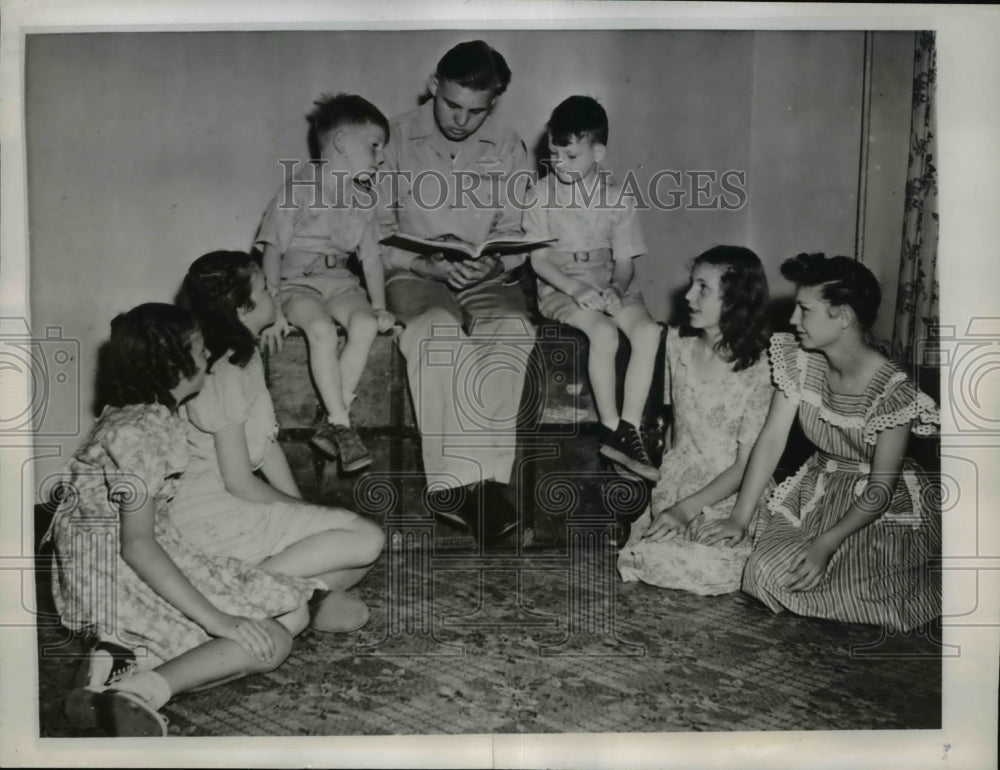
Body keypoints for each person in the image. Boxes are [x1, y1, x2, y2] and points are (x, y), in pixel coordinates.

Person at [43, 304, 318, 737]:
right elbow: (136, 544)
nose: (208, 353)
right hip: (115, 565)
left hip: (129, 549)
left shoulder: (137, 413)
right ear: (174, 366)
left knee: (292, 611)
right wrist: (216, 620)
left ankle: (121, 657)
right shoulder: (140, 431)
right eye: (199, 348)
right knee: (273, 640)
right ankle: (139, 690)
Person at [698, 253, 940, 631]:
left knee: (853, 591)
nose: (793, 320)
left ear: (842, 316)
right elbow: (772, 439)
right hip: (820, 489)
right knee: (764, 573)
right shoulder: (800, 361)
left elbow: (880, 488)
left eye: (804, 309)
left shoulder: (894, 391)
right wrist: (739, 518)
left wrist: (825, 544)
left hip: (878, 506)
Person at [171, 251, 384, 634]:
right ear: (242, 308)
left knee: (355, 560)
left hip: (238, 505)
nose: (275, 292)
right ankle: (228, 592)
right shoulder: (223, 371)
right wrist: (304, 516)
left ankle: (293, 601)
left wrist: (305, 511)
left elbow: (265, 445)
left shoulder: (246, 355)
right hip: (211, 516)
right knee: (368, 539)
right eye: (266, 288)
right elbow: (238, 480)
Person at [376, 40, 535, 543]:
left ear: (494, 102)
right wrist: (422, 263)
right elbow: (371, 230)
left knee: (511, 330)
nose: (462, 120)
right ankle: (456, 489)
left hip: (483, 277)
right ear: (433, 87)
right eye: (452, 105)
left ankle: (485, 485)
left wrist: (495, 260)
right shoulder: (393, 137)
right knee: (436, 333)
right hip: (416, 274)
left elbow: (521, 231)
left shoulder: (509, 145)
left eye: (476, 111)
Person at [617, 246, 774, 594]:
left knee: (715, 564)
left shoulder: (764, 369)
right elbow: (673, 427)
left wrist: (686, 510)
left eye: (703, 287)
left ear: (736, 299)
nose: (688, 295)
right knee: (653, 556)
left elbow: (747, 464)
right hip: (677, 481)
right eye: (692, 284)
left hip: (733, 488)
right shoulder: (676, 346)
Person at [255, 93, 396, 473]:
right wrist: (273, 311)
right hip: (297, 283)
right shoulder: (296, 191)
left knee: (365, 324)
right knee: (319, 329)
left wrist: (380, 307)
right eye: (375, 146)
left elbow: (370, 259)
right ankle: (341, 423)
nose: (380, 158)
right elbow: (271, 252)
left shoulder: (364, 200)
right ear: (341, 144)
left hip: (340, 283)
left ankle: (332, 420)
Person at [524, 96, 663, 481]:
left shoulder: (619, 197)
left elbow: (624, 262)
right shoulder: (538, 195)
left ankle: (628, 433)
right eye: (554, 154)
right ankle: (609, 423)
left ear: (598, 152)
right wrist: (575, 289)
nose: (560, 165)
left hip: (607, 280)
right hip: (561, 284)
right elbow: (538, 261)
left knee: (649, 331)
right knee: (603, 333)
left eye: (570, 156)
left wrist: (616, 290)